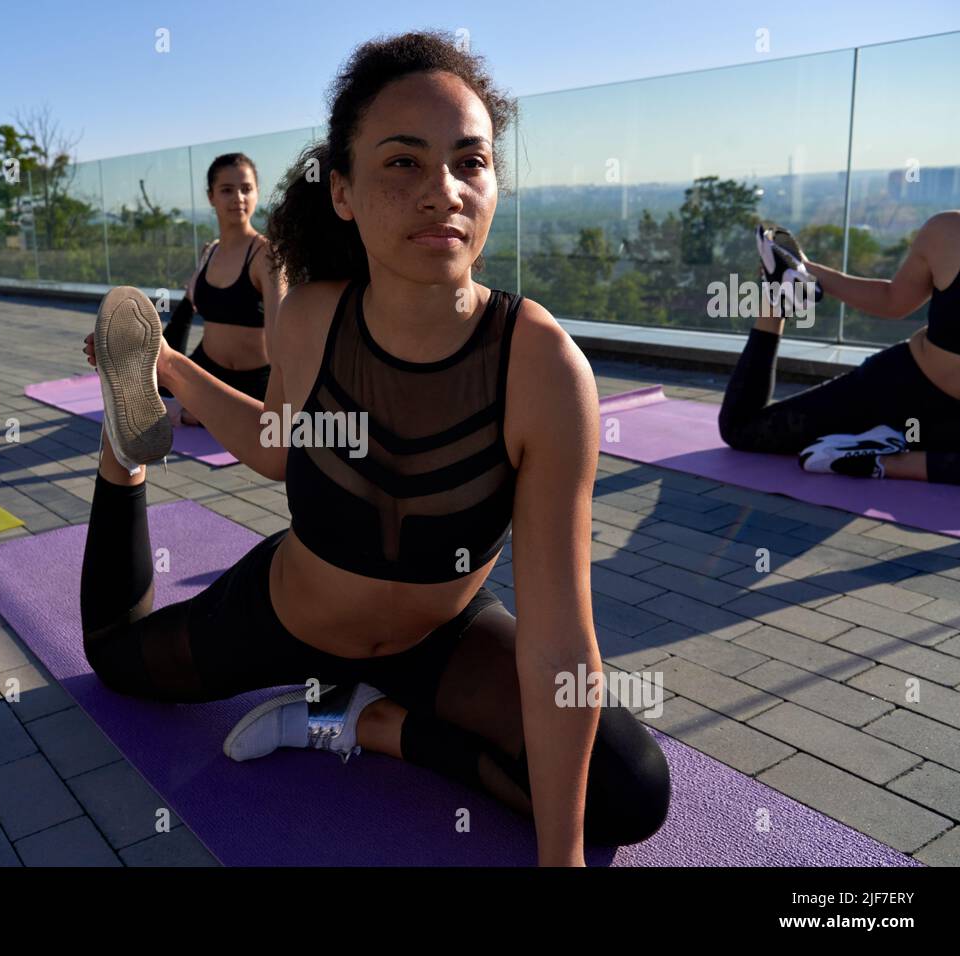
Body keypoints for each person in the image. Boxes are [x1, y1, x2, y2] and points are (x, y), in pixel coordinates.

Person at [79, 32, 671, 866]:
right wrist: (169, 368)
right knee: (115, 660)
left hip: (442, 641)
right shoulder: (316, 314)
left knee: (630, 791)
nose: (444, 193)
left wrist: (560, 863)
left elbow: (559, 639)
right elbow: (284, 445)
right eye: (403, 163)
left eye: (471, 162)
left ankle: (367, 723)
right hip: (285, 618)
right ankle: (120, 452)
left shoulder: (540, 366)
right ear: (345, 192)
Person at [718, 216, 960, 484]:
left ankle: (877, 459)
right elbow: (894, 300)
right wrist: (806, 270)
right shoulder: (949, 231)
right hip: (900, 389)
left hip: (954, 426)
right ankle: (780, 295)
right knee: (741, 428)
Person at [162, 154, 286, 427]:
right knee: (145, 402)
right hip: (206, 371)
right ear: (211, 197)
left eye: (246, 189)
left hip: (254, 380)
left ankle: (194, 412)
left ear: (257, 194)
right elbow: (185, 313)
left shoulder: (267, 255)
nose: (238, 198)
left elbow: (280, 335)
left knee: (209, 418)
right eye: (227, 190)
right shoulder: (210, 251)